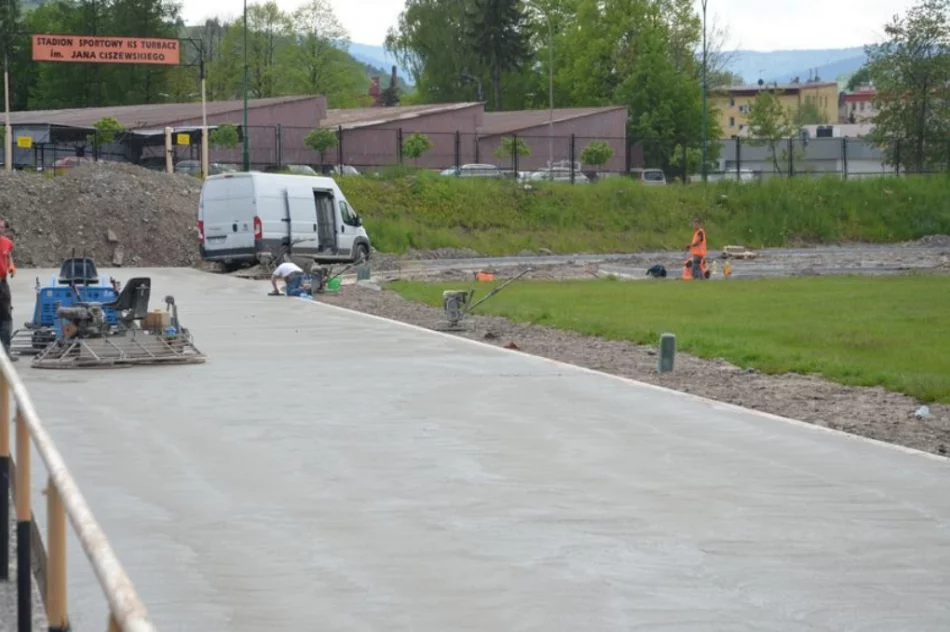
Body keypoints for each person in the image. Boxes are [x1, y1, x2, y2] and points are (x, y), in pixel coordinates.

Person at [0, 220, 17, 360]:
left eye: (1, 227)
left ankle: (6, 351)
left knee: (6, 317)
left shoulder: (6, 242)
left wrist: (11, 265)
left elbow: (8, 255)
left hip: (2, 283)